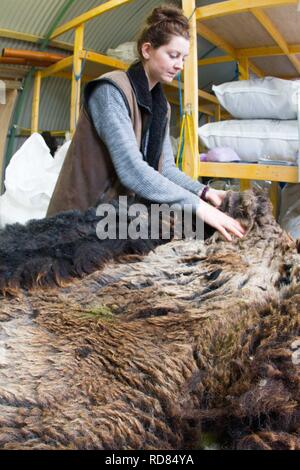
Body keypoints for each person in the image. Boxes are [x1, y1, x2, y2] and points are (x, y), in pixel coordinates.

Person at [47, 5, 244, 242]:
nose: (180, 65)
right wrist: (199, 207)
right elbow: (131, 168)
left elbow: (166, 169)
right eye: (173, 55)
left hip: (115, 218)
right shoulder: (110, 91)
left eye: (183, 58)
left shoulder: (161, 106)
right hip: (78, 219)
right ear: (147, 50)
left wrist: (205, 192)